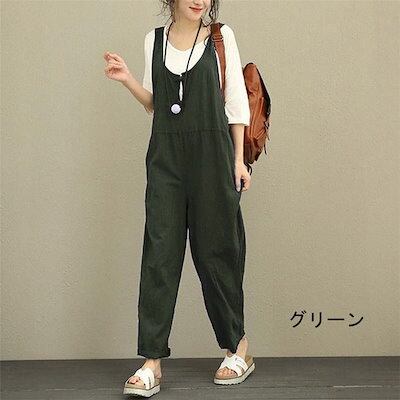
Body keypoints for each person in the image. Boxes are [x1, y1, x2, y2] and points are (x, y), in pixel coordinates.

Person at [104, 0, 255, 397]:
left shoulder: (221, 38)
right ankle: (151, 362)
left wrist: (238, 161)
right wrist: (127, 80)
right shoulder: (153, 41)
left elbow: (236, 102)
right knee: (159, 253)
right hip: (166, 159)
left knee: (217, 251)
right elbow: (156, 103)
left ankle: (237, 347)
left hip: (213, 157)